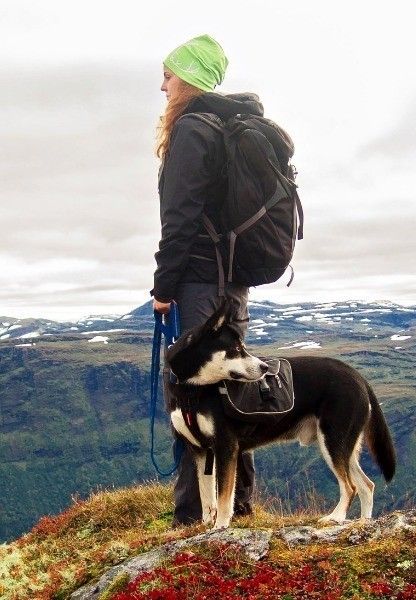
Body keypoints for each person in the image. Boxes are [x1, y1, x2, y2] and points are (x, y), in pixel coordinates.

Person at [151, 34, 260, 525]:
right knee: (229, 391)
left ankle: (192, 517)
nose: (163, 87)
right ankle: (239, 505)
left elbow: (180, 219)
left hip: (198, 283)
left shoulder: (193, 130)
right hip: (231, 284)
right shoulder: (226, 127)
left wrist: (163, 288)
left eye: (168, 76)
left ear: (189, 78)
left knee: (191, 397)